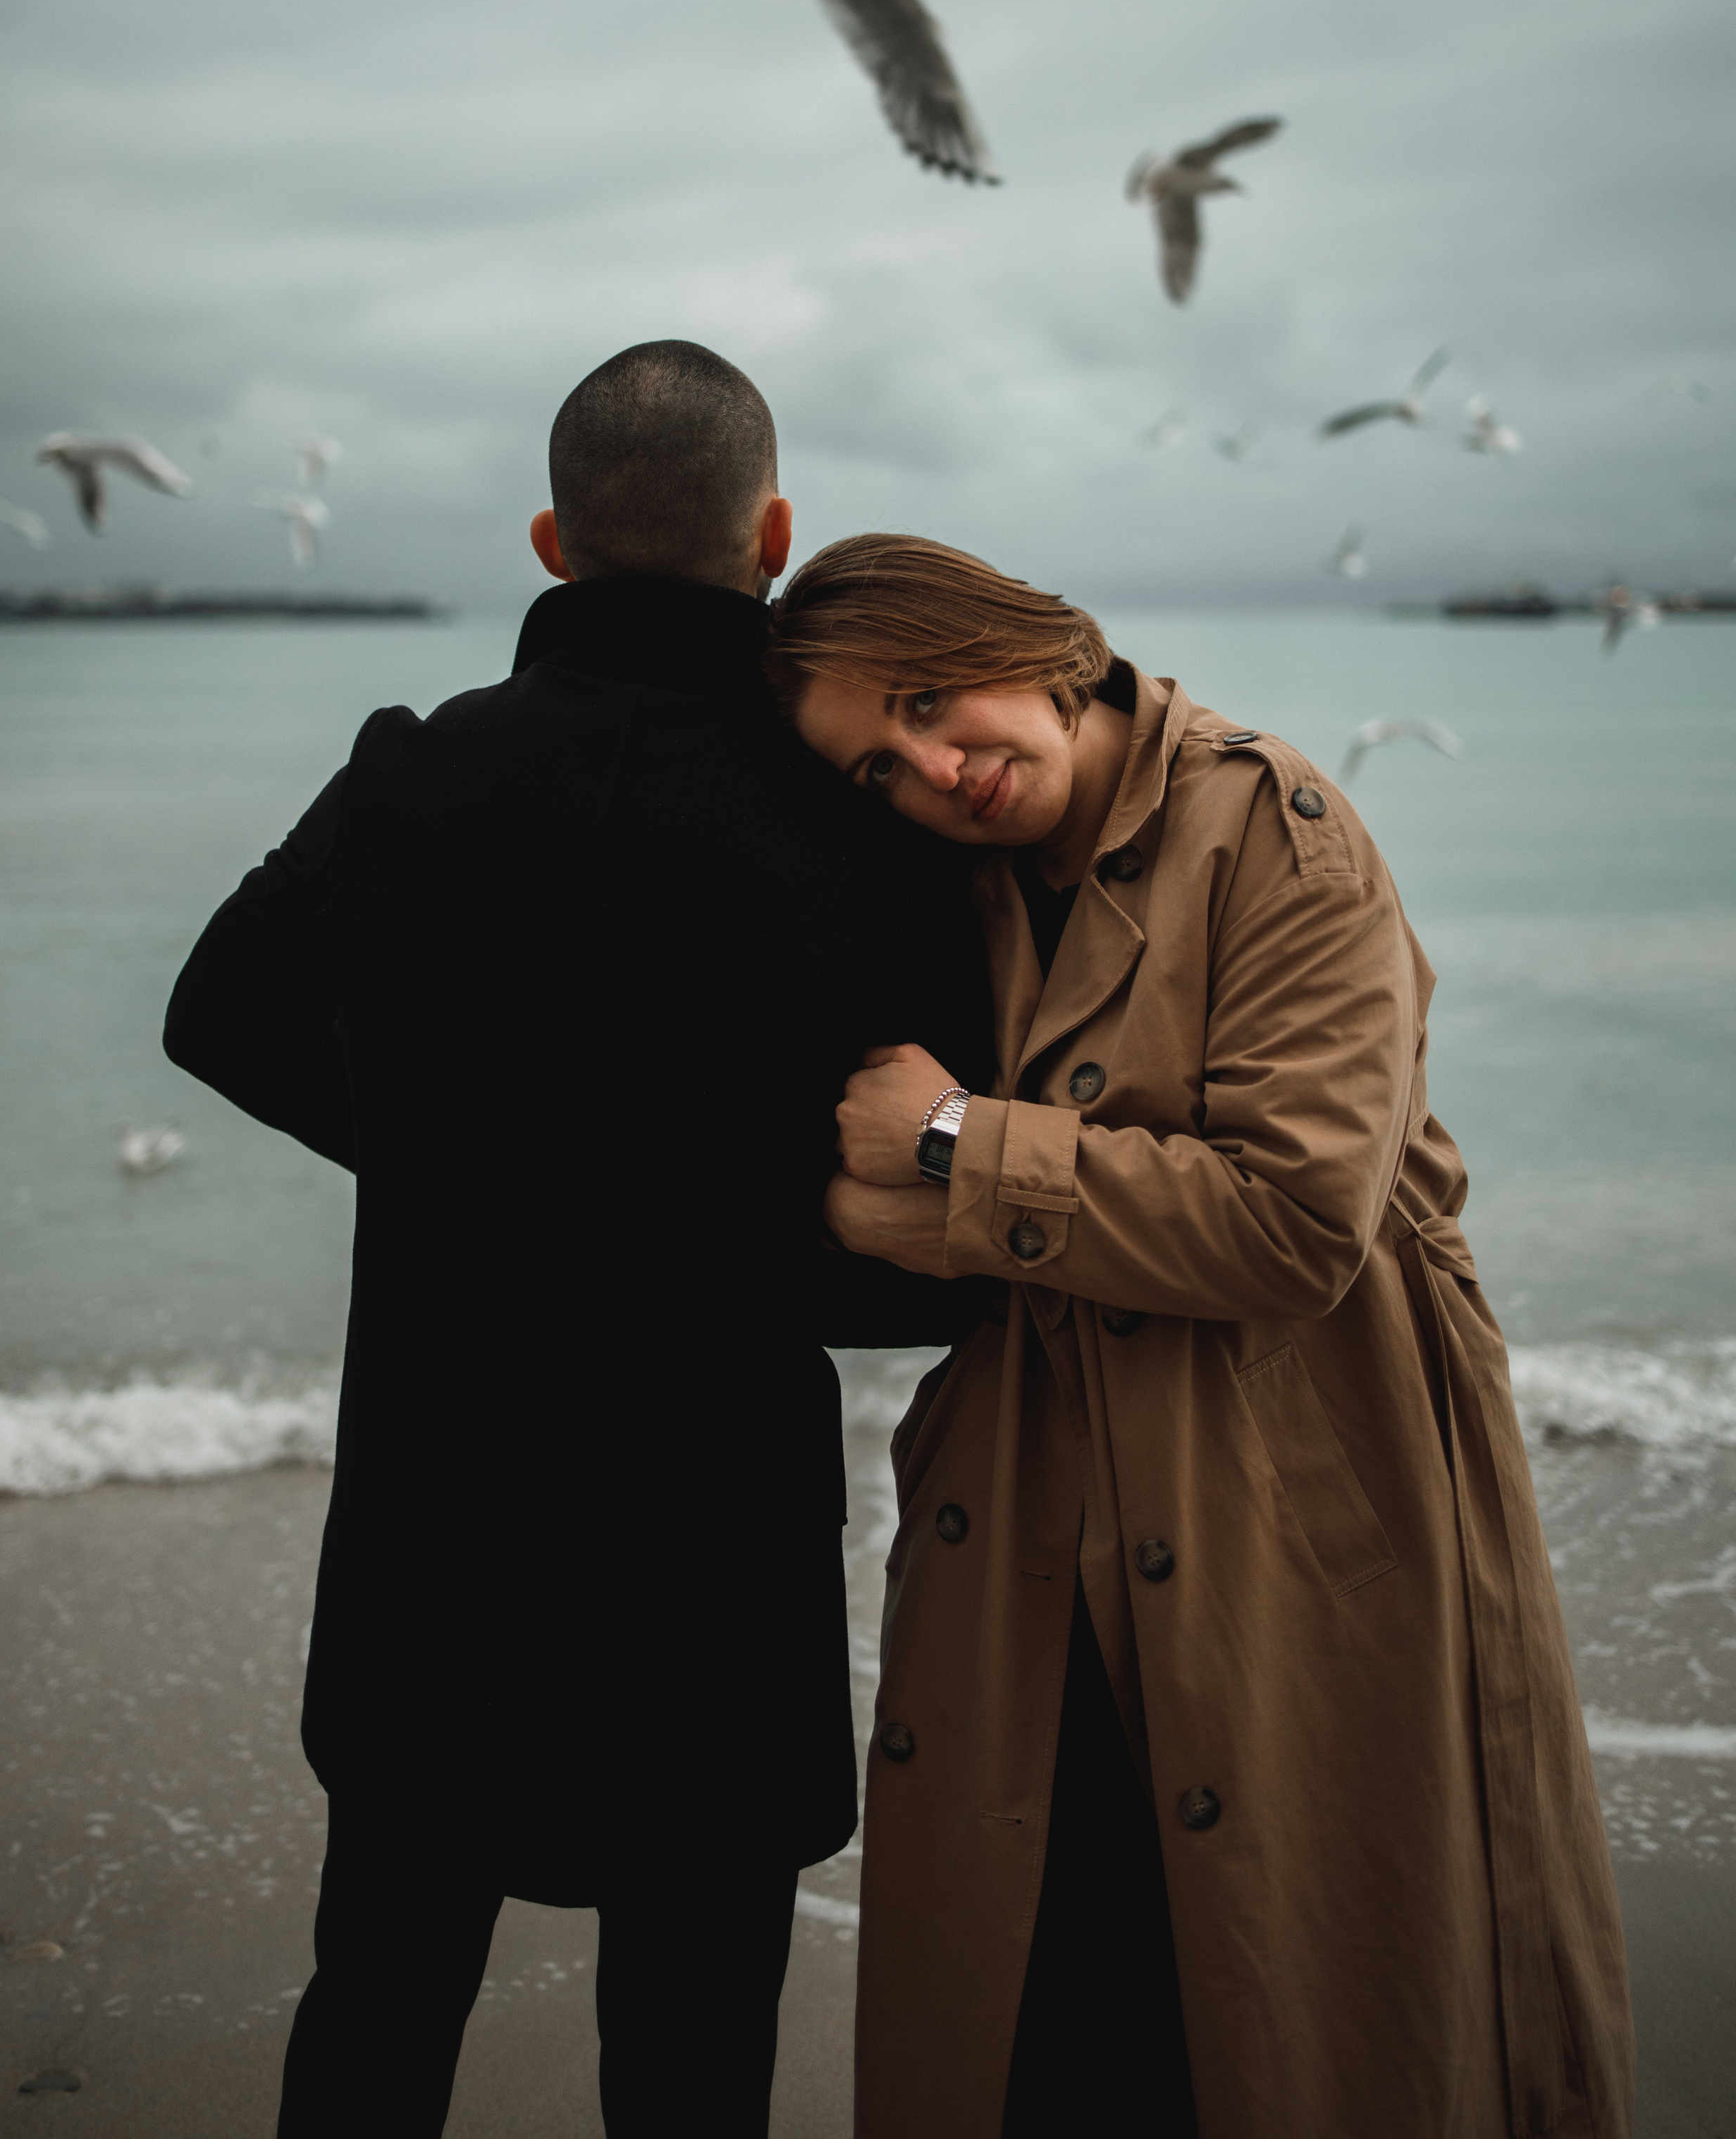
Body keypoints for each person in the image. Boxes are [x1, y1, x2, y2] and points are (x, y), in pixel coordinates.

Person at [163, 352, 993, 2138]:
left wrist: (452, 1163)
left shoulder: (413, 773)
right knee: (693, 2059)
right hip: (714, 1552)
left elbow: (214, 1015)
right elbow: (951, 1223)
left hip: (434, 1530)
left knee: (379, 2007)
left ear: (550, 542)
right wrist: (784, 1235)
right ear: (771, 537)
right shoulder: (855, 831)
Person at [766, 531, 1635, 2139]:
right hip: (1041, 1502)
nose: (933, 765)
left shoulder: (1276, 829)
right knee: (1059, 2002)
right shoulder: (951, 883)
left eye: (928, 700)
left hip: (1298, 1479)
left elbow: (1291, 1221)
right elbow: (845, 1183)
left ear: (1016, 638)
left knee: (1289, 1999)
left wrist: (955, 1144)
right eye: (875, 766)